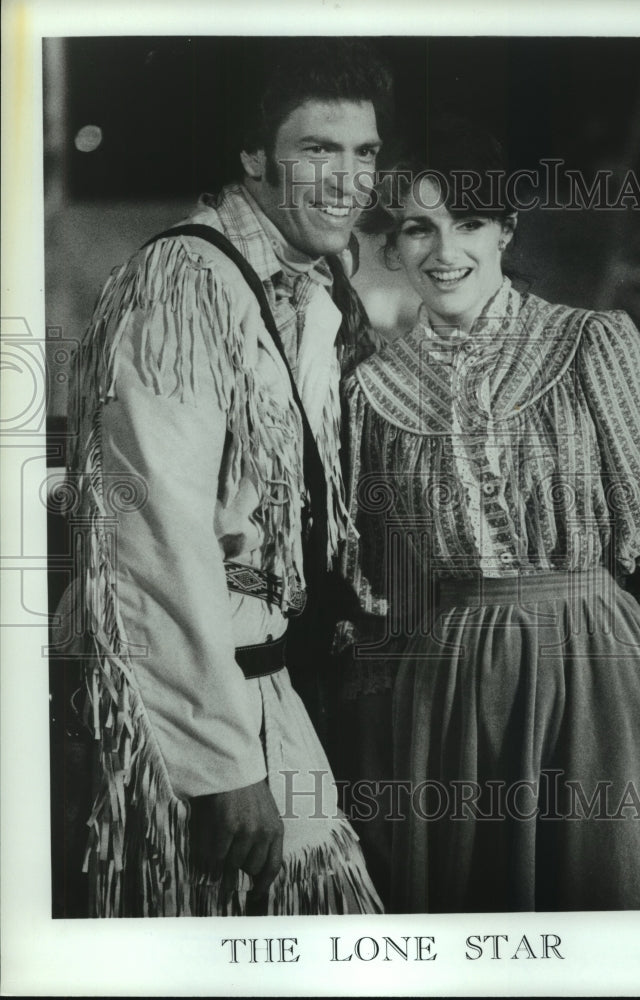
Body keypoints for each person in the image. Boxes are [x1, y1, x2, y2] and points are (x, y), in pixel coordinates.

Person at [337, 119, 640, 912]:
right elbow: (384, 589)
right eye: (419, 227)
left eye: (469, 221)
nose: (446, 250)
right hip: (446, 695)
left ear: (506, 230)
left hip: (598, 668)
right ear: (393, 247)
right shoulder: (371, 393)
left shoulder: (592, 343)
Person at [58, 38, 391, 917]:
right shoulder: (186, 283)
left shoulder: (304, 288)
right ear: (254, 159)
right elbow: (149, 537)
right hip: (185, 707)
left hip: (261, 679)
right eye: (317, 150)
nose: (348, 179)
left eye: (365, 153)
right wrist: (220, 764)